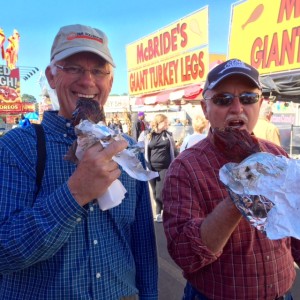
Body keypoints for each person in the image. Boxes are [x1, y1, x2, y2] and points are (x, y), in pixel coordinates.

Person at [0, 24, 158, 299]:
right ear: (51, 76)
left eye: (99, 70)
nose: (88, 81)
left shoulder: (129, 150)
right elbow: (4, 251)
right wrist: (76, 192)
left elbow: (142, 243)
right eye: (72, 68)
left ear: (110, 81)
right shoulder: (15, 148)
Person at [162, 59, 300, 299]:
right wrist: (239, 193)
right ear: (205, 108)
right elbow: (185, 255)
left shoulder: (277, 155)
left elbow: (295, 229)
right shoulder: (185, 167)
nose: (237, 108)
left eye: (248, 98)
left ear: (260, 103)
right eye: (223, 99)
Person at [144, 114, 177, 223]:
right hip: (151, 168)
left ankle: (158, 213)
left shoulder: (167, 135)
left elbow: (175, 151)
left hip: (165, 167)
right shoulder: (149, 135)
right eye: (166, 122)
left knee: (159, 190)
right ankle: (160, 208)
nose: (167, 124)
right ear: (160, 122)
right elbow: (143, 149)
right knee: (154, 190)